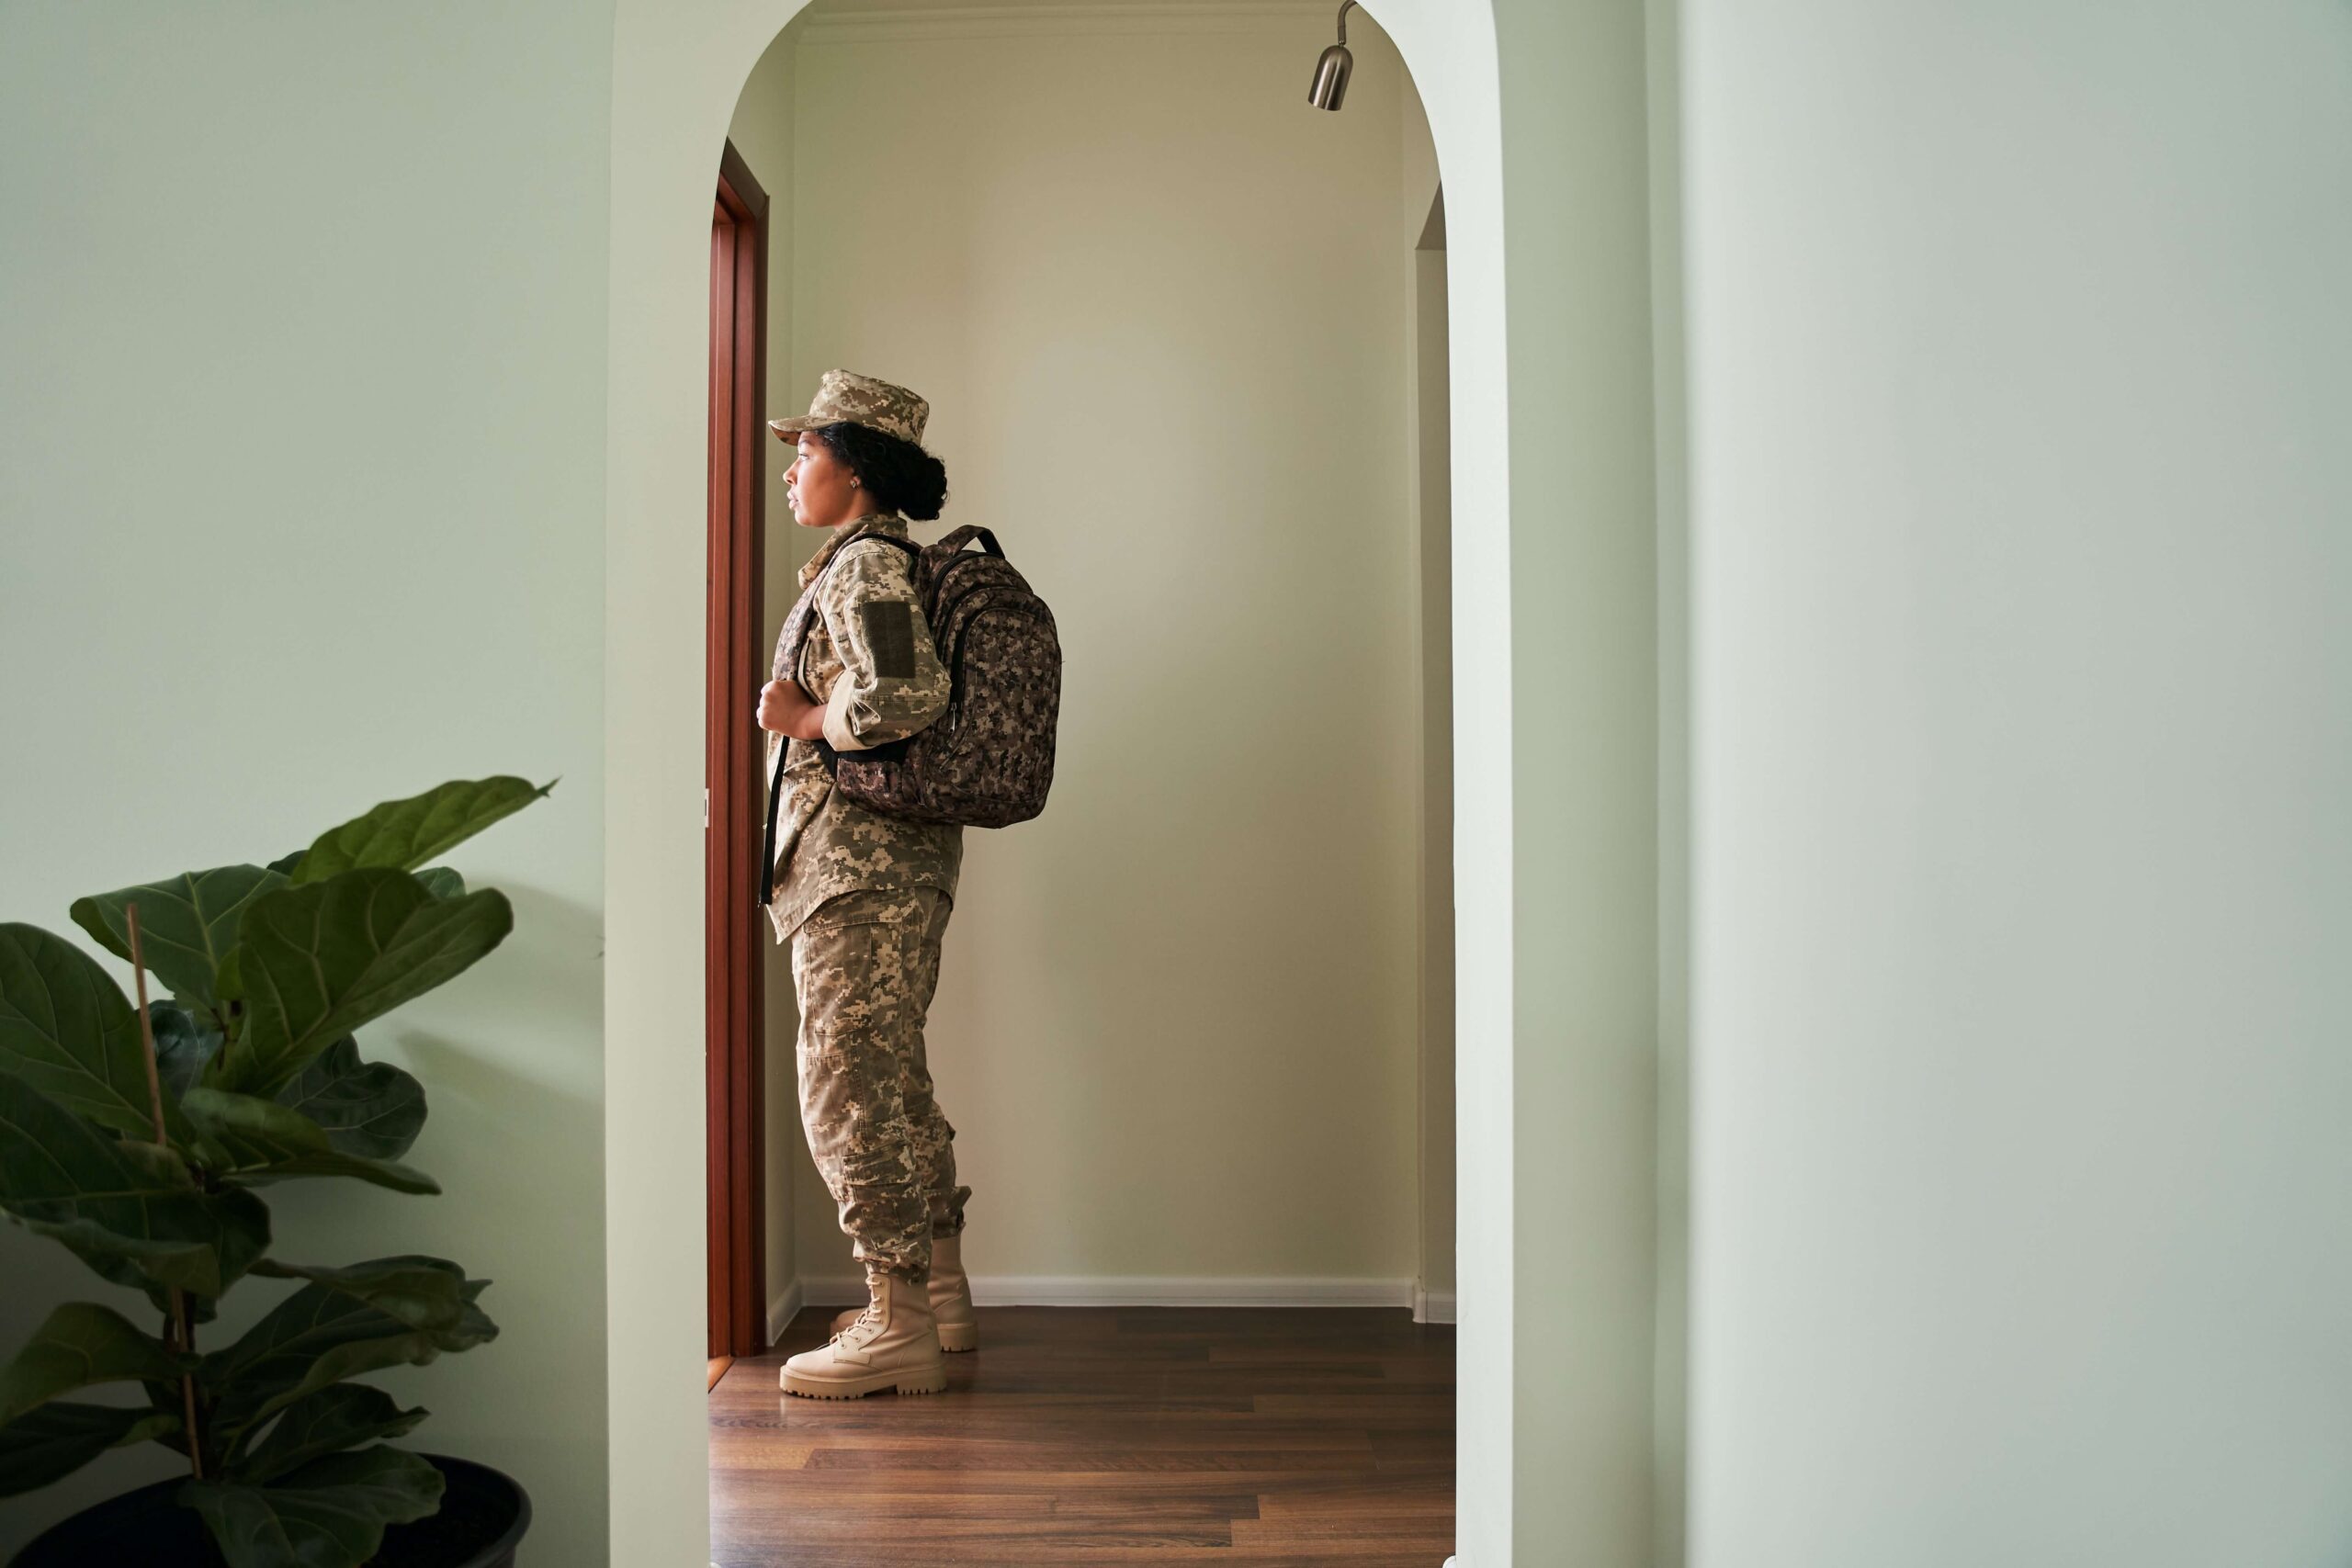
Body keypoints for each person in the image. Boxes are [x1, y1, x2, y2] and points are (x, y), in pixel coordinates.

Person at [755, 368, 978, 1399]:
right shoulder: (857, 566)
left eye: (805, 453)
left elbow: (908, 690)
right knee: (888, 1073)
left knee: (846, 1078)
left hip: (861, 871)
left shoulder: (864, 570)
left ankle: (895, 1321)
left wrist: (805, 722)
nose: (792, 470)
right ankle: (935, 1292)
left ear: (852, 467)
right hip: (876, 870)